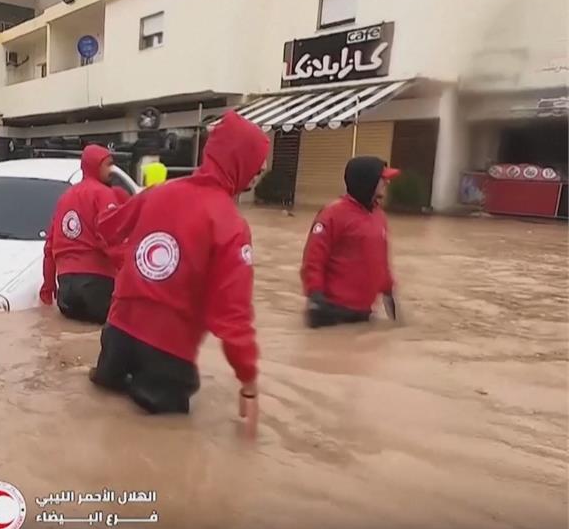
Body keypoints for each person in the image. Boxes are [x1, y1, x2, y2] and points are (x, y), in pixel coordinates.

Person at [88, 112, 268, 418]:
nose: (260, 171)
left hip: (116, 336)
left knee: (103, 418)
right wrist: (248, 380)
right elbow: (232, 317)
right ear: (242, 162)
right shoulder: (231, 226)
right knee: (164, 448)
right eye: (258, 164)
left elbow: (106, 228)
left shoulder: (158, 193)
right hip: (167, 353)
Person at [300, 156, 400, 328]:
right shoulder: (332, 214)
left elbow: (381, 261)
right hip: (332, 313)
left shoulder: (379, 216)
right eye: (382, 179)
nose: (387, 183)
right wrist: (315, 295)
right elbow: (313, 259)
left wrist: (389, 293)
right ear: (367, 181)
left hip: (364, 314)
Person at [40, 145, 127, 324]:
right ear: (96, 166)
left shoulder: (64, 198)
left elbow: (49, 247)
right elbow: (110, 238)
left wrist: (47, 289)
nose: (112, 170)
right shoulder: (104, 194)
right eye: (108, 164)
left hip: (66, 291)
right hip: (98, 286)